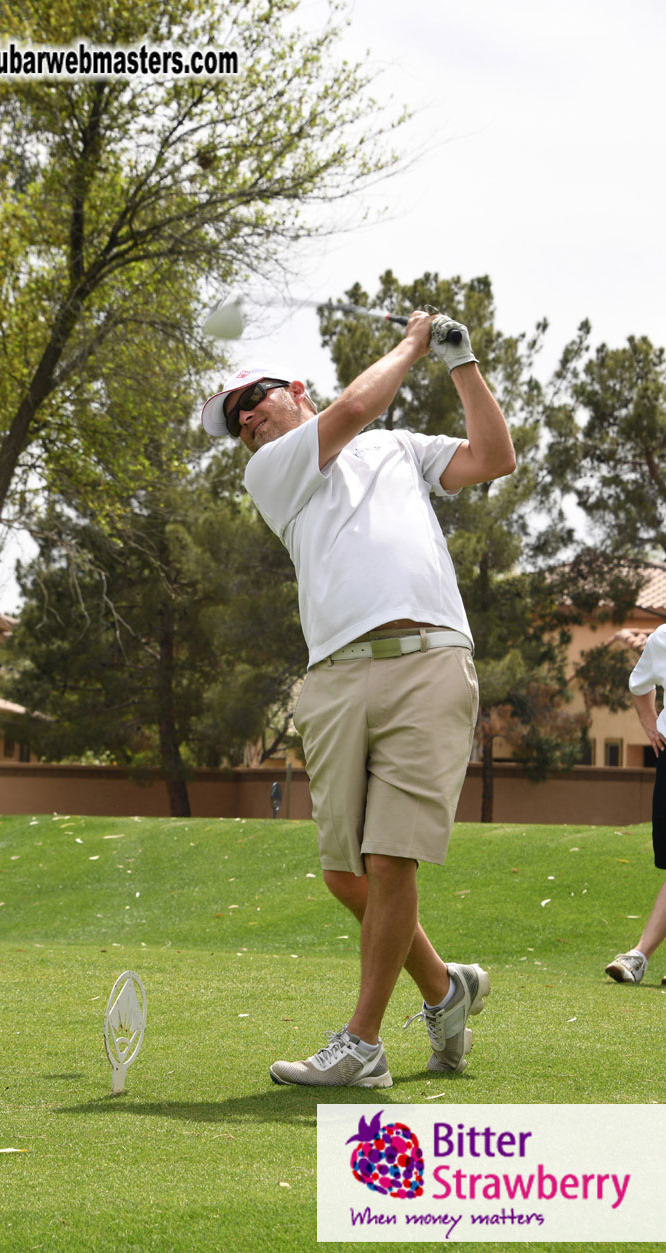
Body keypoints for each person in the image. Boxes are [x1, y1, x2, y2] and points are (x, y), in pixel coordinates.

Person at [200, 308, 516, 1087]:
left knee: (388, 858)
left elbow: (493, 457)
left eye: (253, 400)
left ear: (294, 388)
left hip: (428, 660)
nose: (246, 421)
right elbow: (353, 407)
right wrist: (412, 343)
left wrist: (460, 362)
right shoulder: (271, 470)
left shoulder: (397, 448)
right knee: (346, 874)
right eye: (235, 420)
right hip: (335, 676)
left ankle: (362, 1044)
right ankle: (444, 988)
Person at [605, 624, 666, 986]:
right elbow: (640, 685)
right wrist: (648, 721)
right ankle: (639, 957)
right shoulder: (663, 639)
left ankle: (640, 954)